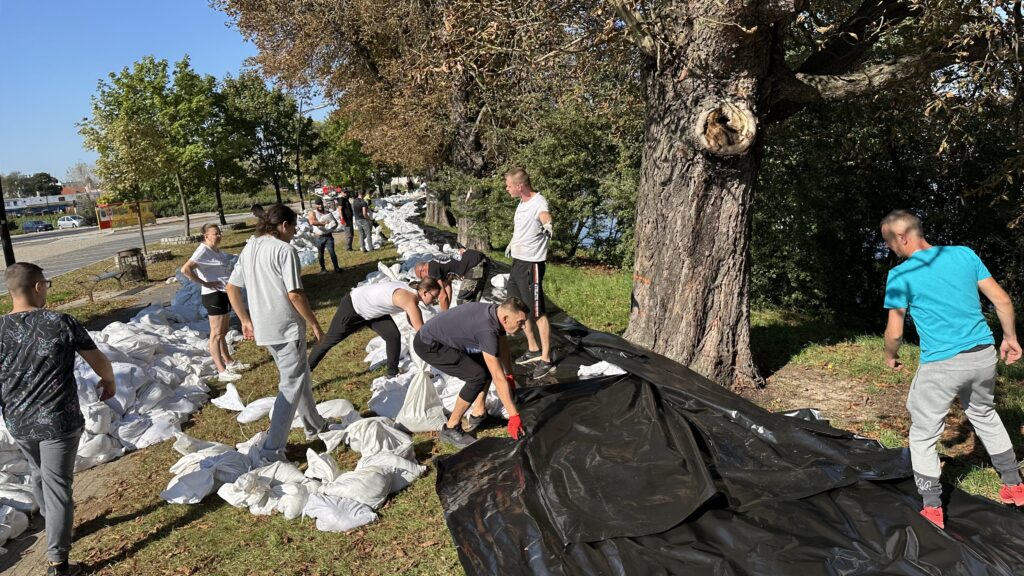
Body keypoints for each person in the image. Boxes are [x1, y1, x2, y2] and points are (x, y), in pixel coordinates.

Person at [880, 209, 1024, 529]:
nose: (891, 250)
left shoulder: (901, 276)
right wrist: (1010, 338)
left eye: (889, 243)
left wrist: (890, 355)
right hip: (983, 355)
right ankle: (1014, 485)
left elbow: (895, 332)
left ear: (902, 237)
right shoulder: (964, 254)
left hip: (942, 365)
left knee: (923, 433)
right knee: (984, 414)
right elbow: (1001, 300)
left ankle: (931, 506)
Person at [0, 263, 116, 576]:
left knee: (39, 474)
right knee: (57, 488)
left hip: (18, 423)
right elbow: (99, 361)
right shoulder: (60, 322)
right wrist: (109, 381)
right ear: (37, 287)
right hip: (58, 422)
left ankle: (57, 526)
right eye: (46, 284)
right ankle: (58, 563)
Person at [226, 204, 328, 462]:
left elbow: (231, 288)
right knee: (290, 386)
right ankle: (272, 450)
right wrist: (314, 323)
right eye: (293, 227)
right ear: (283, 226)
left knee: (299, 374)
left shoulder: (250, 247)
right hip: (286, 327)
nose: (294, 233)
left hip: (264, 327)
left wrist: (245, 320)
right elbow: (294, 294)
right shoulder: (285, 250)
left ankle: (314, 425)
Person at [413, 298, 529, 449]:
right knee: (477, 376)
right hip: (430, 345)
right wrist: (514, 416)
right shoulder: (487, 330)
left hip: (445, 337)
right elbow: (498, 378)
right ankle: (451, 427)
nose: (523, 326)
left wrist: (510, 374)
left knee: (485, 369)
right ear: (506, 318)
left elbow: (502, 345)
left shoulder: (496, 313)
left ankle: (478, 414)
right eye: (520, 322)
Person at [308, 278, 443, 377]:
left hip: (373, 312)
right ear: (425, 292)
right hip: (353, 307)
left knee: (393, 336)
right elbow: (421, 330)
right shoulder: (408, 298)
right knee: (329, 340)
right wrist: (440, 348)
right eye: (434, 297)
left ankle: (392, 372)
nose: (435, 301)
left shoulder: (412, 291)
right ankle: (306, 370)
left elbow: (412, 320)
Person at [503, 167, 555, 379]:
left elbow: (544, 215)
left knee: (537, 311)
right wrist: (513, 243)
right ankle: (533, 348)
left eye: (508, 186)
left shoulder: (538, 202)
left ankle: (546, 358)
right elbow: (523, 229)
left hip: (531, 264)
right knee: (516, 306)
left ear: (519, 186)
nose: (507, 190)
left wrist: (548, 224)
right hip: (518, 261)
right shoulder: (521, 203)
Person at [181, 223, 249, 382]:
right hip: (213, 295)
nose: (219, 236)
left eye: (219, 233)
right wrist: (204, 283)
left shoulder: (215, 250)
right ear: (206, 236)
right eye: (215, 234)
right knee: (216, 334)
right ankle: (221, 371)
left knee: (223, 332)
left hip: (223, 293)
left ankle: (229, 362)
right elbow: (186, 269)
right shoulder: (202, 250)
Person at [414, 248, 490, 310]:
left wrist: (443, 318)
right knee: (473, 300)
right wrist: (447, 312)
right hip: (482, 261)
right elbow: (448, 291)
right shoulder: (437, 264)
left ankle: (468, 324)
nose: (425, 279)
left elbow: (442, 296)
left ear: (422, 270)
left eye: (421, 277)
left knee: (462, 301)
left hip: (475, 264)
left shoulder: (431, 269)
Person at [307, 198, 341, 273]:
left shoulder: (327, 212)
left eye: (321, 203)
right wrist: (324, 224)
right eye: (318, 204)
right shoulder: (313, 213)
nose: (320, 205)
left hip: (328, 236)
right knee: (320, 253)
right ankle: (323, 269)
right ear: (315, 205)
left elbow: (335, 222)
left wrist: (333, 226)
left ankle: (336, 268)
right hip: (318, 237)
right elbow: (312, 222)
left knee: (332, 252)